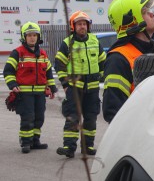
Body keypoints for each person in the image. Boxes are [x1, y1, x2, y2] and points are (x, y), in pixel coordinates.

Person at [103, 0, 154, 123]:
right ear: (132, 21)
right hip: (136, 135)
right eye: (145, 12)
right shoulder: (118, 59)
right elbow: (113, 111)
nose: (152, 14)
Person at [54, 11, 106, 157]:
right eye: (79, 24)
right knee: (73, 117)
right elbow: (59, 64)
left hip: (93, 88)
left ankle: (87, 146)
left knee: (91, 117)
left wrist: (101, 77)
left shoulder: (95, 41)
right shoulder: (67, 43)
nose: (82, 26)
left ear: (88, 26)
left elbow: (103, 61)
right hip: (75, 89)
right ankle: (69, 147)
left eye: (84, 24)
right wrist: (65, 84)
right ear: (73, 26)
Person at [3, 22, 57, 153]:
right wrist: (13, 85)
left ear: (38, 37)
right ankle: (25, 142)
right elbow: (8, 71)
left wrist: (52, 87)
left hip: (40, 94)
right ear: (24, 37)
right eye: (29, 35)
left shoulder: (43, 54)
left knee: (39, 117)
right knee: (28, 118)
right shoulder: (17, 53)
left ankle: (35, 141)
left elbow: (48, 72)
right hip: (24, 94)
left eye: (34, 35)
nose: (32, 38)